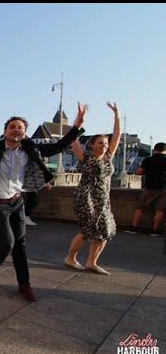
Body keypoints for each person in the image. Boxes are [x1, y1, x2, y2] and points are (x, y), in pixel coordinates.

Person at [0, 102, 87, 301]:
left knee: (20, 244)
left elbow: (57, 146)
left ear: (25, 133)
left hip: (16, 200)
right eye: (12, 126)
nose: (16, 129)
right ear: (5, 131)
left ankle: (24, 284)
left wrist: (76, 127)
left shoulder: (29, 148)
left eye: (20, 127)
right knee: (7, 243)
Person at [65, 102, 121, 275]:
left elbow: (117, 135)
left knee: (105, 231)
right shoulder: (85, 157)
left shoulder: (108, 157)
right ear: (92, 145)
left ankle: (91, 262)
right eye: (100, 143)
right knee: (88, 230)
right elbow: (72, 138)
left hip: (103, 200)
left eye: (105, 143)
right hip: (86, 198)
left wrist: (116, 115)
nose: (104, 146)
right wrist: (79, 119)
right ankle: (70, 258)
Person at [124, 142, 166, 236]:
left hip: (149, 187)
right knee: (160, 210)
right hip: (163, 189)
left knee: (139, 207)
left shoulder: (148, 160)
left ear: (155, 149)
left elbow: (139, 172)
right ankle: (154, 230)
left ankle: (134, 227)